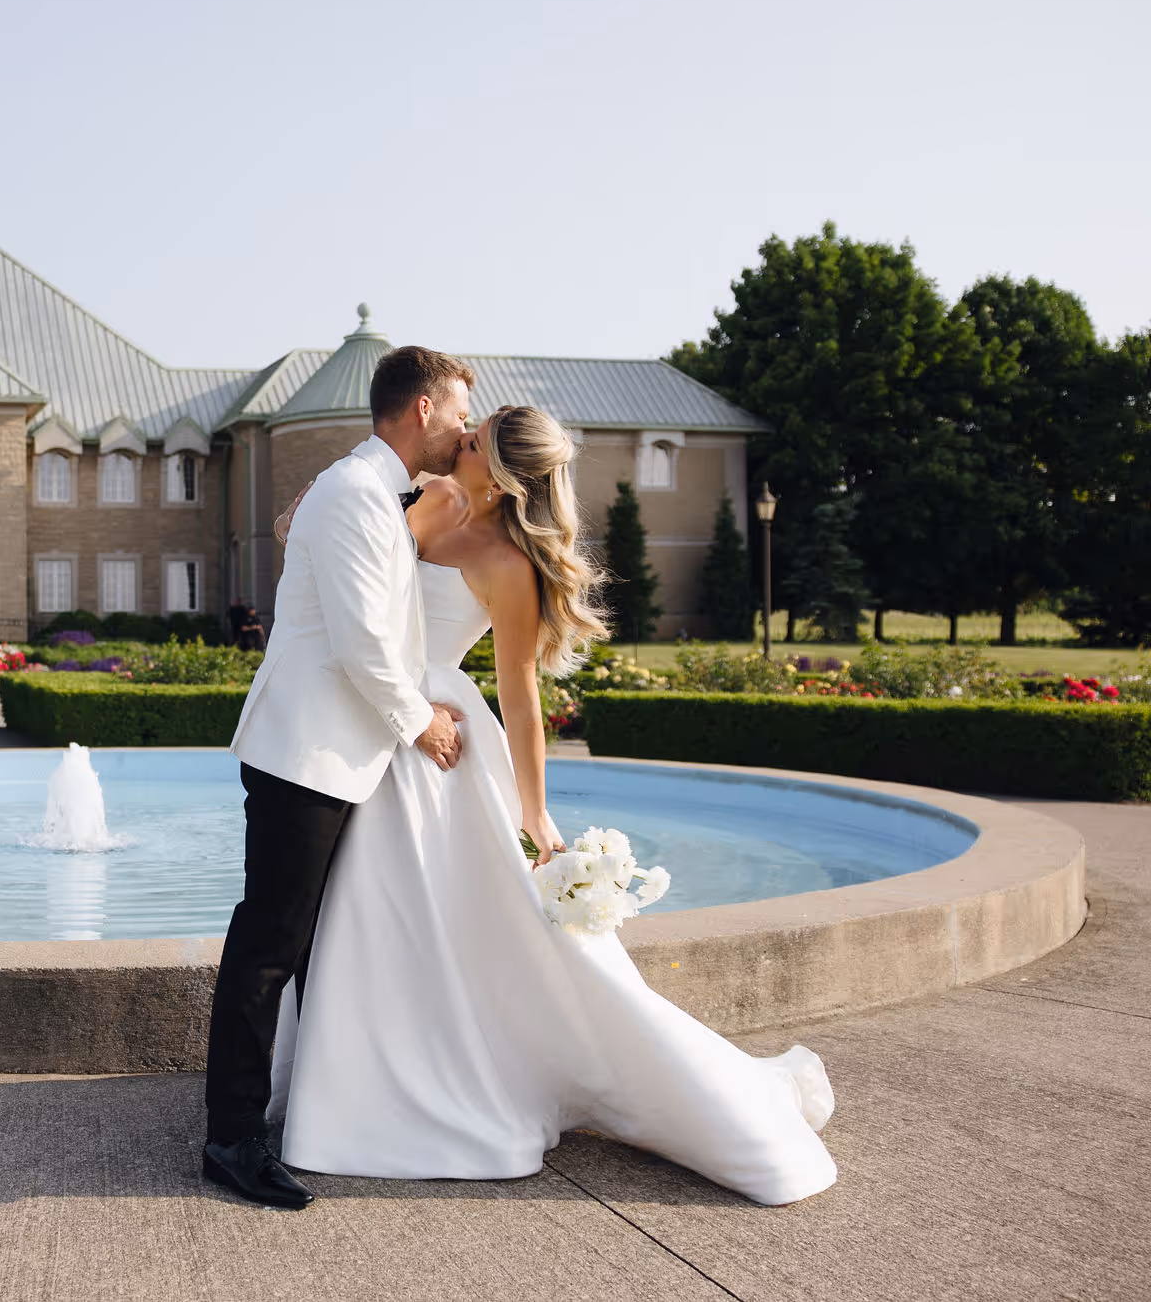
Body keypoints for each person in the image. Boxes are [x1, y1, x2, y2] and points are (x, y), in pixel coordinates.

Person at [261, 402, 838, 1210]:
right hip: (368, 726)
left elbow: (521, 697)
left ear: (498, 472)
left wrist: (534, 814)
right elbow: (332, 552)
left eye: (471, 440)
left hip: (439, 746)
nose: (454, 441)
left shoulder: (507, 563)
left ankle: (403, 1092)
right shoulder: (416, 496)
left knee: (409, 915)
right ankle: (354, 1079)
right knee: (362, 919)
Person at [209, 345, 472, 1211]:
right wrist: (423, 723)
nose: (466, 426)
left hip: (336, 758)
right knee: (270, 944)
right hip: (303, 754)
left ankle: (305, 1110)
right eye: (460, 410)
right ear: (423, 408)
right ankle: (232, 1138)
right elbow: (364, 644)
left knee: (312, 944)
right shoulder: (355, 492)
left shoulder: (366, 493)